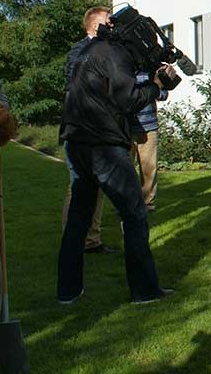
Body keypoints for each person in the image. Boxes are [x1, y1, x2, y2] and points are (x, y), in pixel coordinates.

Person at [58, 20, 173, 304]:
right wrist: (156, 86)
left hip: (76, 141)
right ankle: (145, 291)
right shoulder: (115, 54)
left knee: (78, 217)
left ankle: (67, 292)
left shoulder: (91, 50)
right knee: (134, 214)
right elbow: (129, 99)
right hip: (103, 145)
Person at [62, 6, 115, 254]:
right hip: (80, 131)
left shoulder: (106, 50)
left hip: (98, 129)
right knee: (78, 187)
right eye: (108, 21)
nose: (112, 25)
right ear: (95, 26)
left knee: (97, 188)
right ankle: (73, 240)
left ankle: (91, 240)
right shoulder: (79, 51)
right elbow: (79, 84)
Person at [130, 71, 169, 211]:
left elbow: (164, 94)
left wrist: (156, 88)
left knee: (149, 168)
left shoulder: (151, 70)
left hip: (149, 126)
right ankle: (127, 203)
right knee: (125, 168)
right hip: (126, 127)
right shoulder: (124, 69)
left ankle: (148, 203)